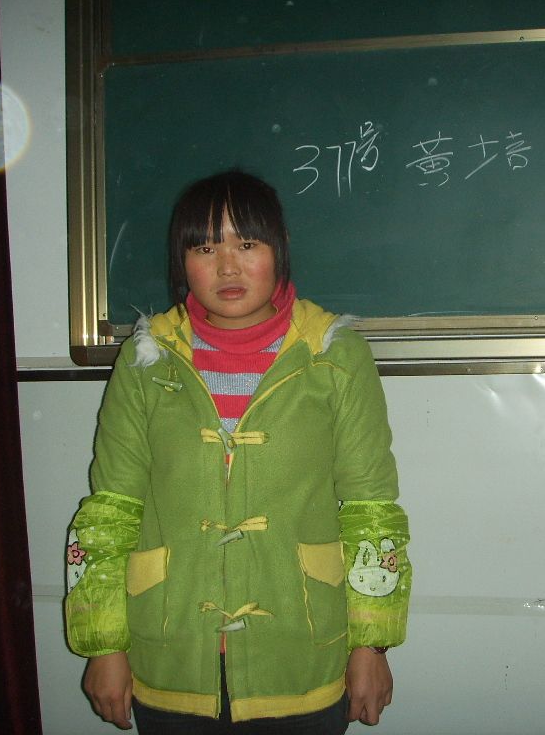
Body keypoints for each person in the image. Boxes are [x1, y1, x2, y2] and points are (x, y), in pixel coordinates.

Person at [63, 170, 412, 734]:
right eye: (205, 248)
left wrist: (372, 645)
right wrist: (103, 645)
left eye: (247, 244)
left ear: (280, 249)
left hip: (302, 650)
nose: (227, 266)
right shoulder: (147, 359)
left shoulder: (334, 356)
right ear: (183, 260)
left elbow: (371, 508)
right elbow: (110, 509)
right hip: (169, 649)